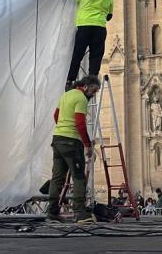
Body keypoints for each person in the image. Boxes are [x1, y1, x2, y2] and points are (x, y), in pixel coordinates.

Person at [46, 75, 101, 223]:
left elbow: (56, 115)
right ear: (86, 86)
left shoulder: (66, 95)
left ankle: (51, 213)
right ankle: (80, 213)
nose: (93, 94)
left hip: (57, 139)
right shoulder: (81, 99)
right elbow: (80, 124)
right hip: (71, 142)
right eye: (93, 91)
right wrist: (88, 145)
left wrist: (62, 128)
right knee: (78, 177)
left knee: (57, 177)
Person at [65, 0, 113, 90]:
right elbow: (109, 16)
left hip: (84, 26)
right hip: (99, 28)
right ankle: (92, 82)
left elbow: (71, 0)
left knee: (77, 55)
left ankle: (70, 81)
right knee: (96, 56)